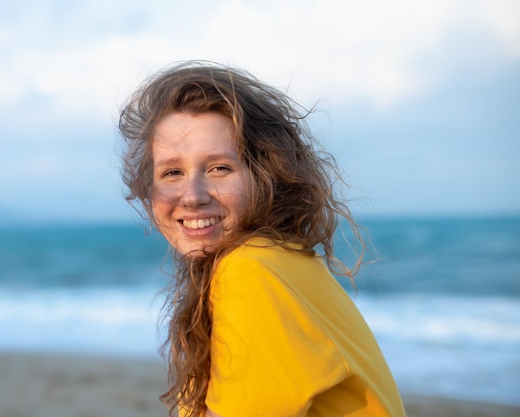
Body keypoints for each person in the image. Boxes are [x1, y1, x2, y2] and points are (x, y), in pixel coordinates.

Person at [118, 61, 406, 417]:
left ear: (266, 173)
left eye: (219, 168)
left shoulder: (251, 270)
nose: (192, 196)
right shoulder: (283, 259)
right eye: (172, 172)